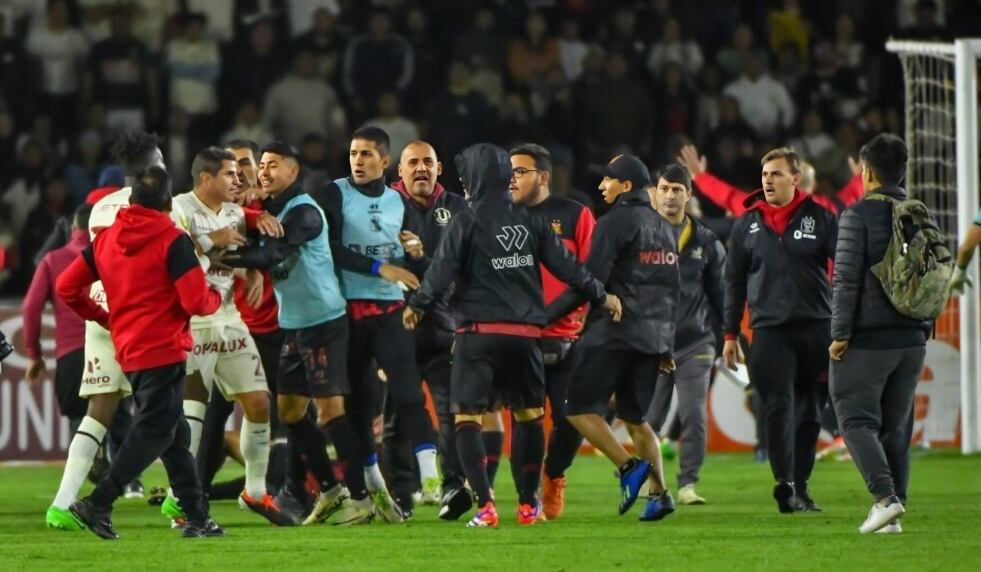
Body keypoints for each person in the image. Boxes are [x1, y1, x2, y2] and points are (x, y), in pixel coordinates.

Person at [403, 143, 619, 528]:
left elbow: (440, 273)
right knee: (530, 417)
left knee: (467, 418)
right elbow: (571, 270)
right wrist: (601, 295)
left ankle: (486, 507)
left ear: (475, 177)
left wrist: (417, 305)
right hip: (525, 338)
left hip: (478, 335)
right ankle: (526, 504)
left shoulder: (465, 220)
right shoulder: (531, 221)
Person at [56, 165, 224, 540]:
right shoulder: (172, 238)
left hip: (129, 349)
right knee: (154, 430)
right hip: (164, 349)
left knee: (175, 436)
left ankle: (197, 516)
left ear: (130, 200)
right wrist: (215, 296)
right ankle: (98, 503)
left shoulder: (106, 238)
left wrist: (104, 318)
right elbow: (196, 300)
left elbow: (67, 287)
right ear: (167, 201)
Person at [225, 142, 373, 526]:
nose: (265, 172)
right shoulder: (270, 211)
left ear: (293, 173)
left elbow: (271, 256)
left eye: (274, 166)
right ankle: (329, 489)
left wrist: (215, 254)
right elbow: (253, 239)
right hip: (293, 324)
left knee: (330, 411)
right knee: (290, 412)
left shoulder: (305, 212)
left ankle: (361, 498)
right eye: (264, 166)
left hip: (324, 321)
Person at [309, 127, 436, 523]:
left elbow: (414, 263)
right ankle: (374, 488)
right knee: (358, 407)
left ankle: (431, 481)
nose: (358, 161)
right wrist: (383, 267)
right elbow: (329, 248)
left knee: (408, 393)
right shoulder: (334, 194)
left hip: (388, 312)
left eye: (366, 155)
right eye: (353, 153)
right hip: (344, 314)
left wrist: (416, 255)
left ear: (385, 162)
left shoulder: (401, 203)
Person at [164, 146, 289, 525]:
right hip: (192, 323)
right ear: (206, 178)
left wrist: (248, 271)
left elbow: (231, 256)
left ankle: (254, 491)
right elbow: (172, 257)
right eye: (230, 174)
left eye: (239, 173)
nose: (239, 180)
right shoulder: (179, 209)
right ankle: (178, 498)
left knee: (259, 402)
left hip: (230, 320)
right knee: (194, 416)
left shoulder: (235, 213)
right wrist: (209, 242)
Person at [43, 131, 161, 531]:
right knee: (169, 410)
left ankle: (62, 503)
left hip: (104, 314)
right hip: (142, 316)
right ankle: (184, 504)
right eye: (160, 160)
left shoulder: (98, 209)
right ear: (150, 167)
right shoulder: (161, 207)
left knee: (99, 411)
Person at [562, 154, 680, 522]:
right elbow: (672, 289)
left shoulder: (612, 223)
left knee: (578, 408)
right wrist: (666, 344)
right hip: (652, 337)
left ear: (626, 186)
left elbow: (592, 278)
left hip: (613, 333)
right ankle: (660, 495)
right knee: (635, 416)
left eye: (608, 180)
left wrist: (552, 312)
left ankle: (629, 468)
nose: (601, 186)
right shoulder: (664, 227)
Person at [722, 147, 838, 513]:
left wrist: (846, 324)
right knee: (777, 406)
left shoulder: (821, 217)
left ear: (796, 178)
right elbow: (733, 282)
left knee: (811, 413)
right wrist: (729, 334)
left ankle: (800, 485)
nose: (768, 180)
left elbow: (846, 271)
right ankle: (785, 483)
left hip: (817, 329)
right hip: (769, 331)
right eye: (765, 175)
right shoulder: (747, 224)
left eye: (776, 174)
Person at [829, 134, 932, 534]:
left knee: (855, 420)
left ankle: (885, 498)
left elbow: (846, 280)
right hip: (913, 339)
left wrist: (840, 333)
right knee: (895, 426)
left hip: (870, 339)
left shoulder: (857, 216)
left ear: (865, 171)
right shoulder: (920, 213)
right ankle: (894, 513)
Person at [383, 140, 471, 519]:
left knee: (452, 412)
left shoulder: (459, 208)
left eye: (428, 163)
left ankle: (453, 487)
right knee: (396, 416)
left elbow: (465, 269)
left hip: (444, 326)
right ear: (399, 171)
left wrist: (421, 258)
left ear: (439, 170)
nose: (421, 169)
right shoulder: (383, 206)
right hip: (395, 328)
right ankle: (402, 494)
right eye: (413, 163)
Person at [507, 143, 596, 521]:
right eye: (509, 171)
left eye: (520, 171)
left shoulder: (574, 215)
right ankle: (527, 499)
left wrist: (585, 323)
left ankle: (554, 475)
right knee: (523, 421)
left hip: (569, 336)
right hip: (519, 337)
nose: (511, 178)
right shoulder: (502, 217)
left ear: (543, 176)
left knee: (572, 418)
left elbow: (592, 273)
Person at [647, 164, 726, 505]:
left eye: (677, 189)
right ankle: (652, 483)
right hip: (651, 343)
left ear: (688, 195)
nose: (670, 195)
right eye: (664, 188)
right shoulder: (640, 236)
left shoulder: (706, 242)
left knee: (694, 413)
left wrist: (730, 337)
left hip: (695, 341)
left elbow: (721, 295)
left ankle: (688, 483)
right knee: (646, 419)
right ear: (654, 192)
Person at [23, 204, 92, 436]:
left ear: (73, 227)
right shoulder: (113, 256)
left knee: (79, 419)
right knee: (116, 416)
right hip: (113, 352)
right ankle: (119, 468)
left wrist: (34, 355)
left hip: (72, 355)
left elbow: (31, 308)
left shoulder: (52, 261)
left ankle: (85, 464)